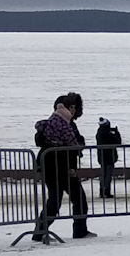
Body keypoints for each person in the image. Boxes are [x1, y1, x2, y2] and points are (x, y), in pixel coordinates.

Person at [33, 92, 93, 241]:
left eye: (74, 107)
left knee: (57, 200)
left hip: (55, 166)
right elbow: (70, 148)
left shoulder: (54, 124)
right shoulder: (64, 125)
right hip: (60, 167)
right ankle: (77, 231)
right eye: (71, 107)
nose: (73, 110)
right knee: (72, 199)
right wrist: (72, 166)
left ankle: (40, 231)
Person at [94, 116, 123, 198]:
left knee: (103, 174)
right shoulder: (108, 134)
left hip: (101, 156)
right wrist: (117, 133)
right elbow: (118, 142)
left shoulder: (99, 133)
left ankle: (102, 190)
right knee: (108, 175)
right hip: (109, 157)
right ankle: (106, 191)